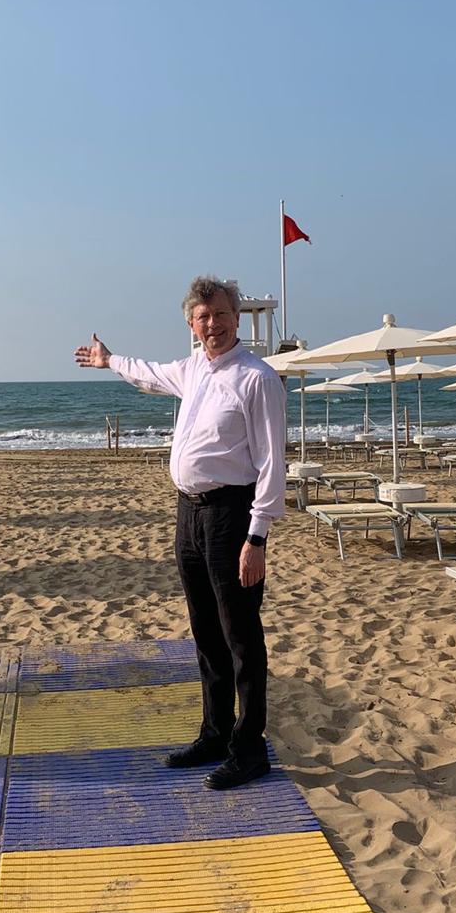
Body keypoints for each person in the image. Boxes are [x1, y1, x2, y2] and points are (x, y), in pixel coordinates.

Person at [74, 276, 286, 790]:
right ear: (191, 323)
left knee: (240, 635)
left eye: (221, 314)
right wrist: (109, 360)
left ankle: (249, 748)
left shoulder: (257, 378)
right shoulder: (192, 369)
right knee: (205, 631)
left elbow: (272, 464)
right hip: (188, 515)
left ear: (238, 317)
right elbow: (148, 373)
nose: (212, 324)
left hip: (232, 515)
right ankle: (215, 733)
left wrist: (257, 538)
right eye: (202, 317)